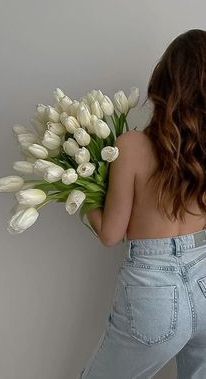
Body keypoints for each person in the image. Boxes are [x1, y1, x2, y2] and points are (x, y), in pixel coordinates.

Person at [76, 29, 206, 379]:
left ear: (163, 81)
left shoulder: (131, 146)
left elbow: (110, 233)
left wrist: (80, 188)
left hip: (154, 291)